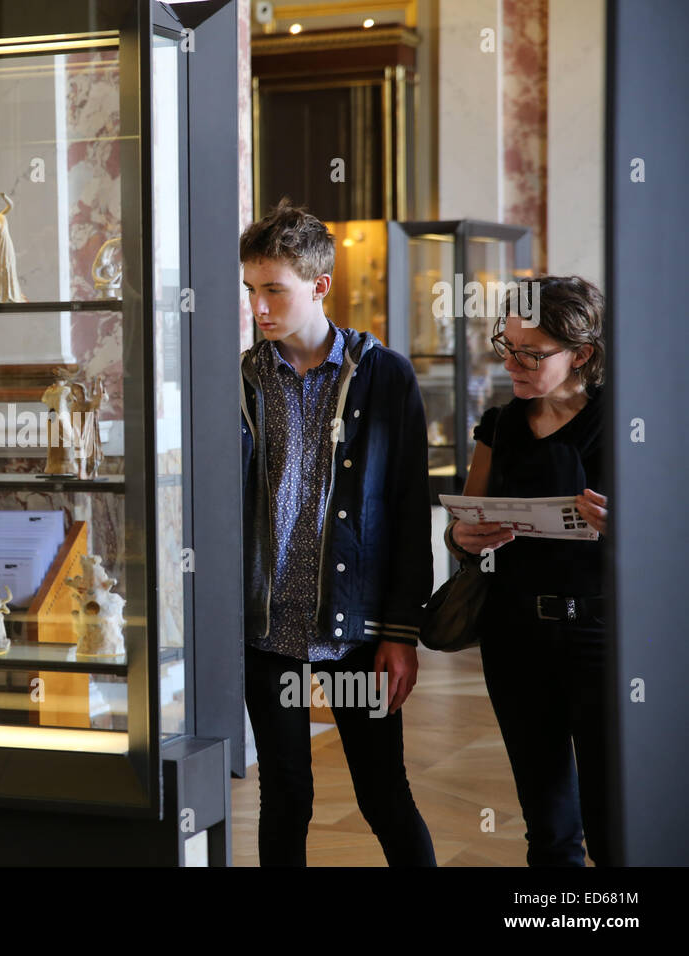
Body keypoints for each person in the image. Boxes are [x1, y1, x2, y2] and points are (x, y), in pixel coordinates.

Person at [239, 199, 435, 866]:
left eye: (274, 290)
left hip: (355, 630)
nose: (260, 307)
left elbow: (409, 513)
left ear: (319, 286)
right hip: (267, 631)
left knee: (384, 795)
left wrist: (400, 635)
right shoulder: (240, 379)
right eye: (251, 291)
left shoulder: (385, 376)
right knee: (284, 798)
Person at [448, 275, 609, 866]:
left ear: (582, 355)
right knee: (547, 823)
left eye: (531, 354)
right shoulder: (500, 424)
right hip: (515, 636)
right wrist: (464, 536)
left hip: (603, 636)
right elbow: (465, 528)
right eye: (505, 346)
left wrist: (628, 529)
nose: (512, 364)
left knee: (614, 818)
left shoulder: (626, 423)